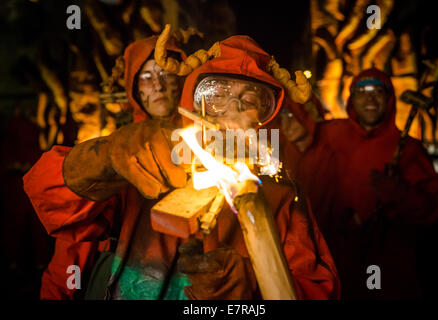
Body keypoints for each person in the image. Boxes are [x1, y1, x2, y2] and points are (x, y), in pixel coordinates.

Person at [24, 32, 340, 300]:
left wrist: (251, 287)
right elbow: (52, 204)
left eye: (250, 99)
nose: (231, 110)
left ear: (264, 117)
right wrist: (104, 159)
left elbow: (317, 288)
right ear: (193, 101)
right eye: (217, 95)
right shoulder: (141, 165)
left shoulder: (281, 195)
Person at [283, 68, 438, 299]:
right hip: (336, 257)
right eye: (362, 92)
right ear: (352, 100)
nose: (370, 98)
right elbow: (301, 123)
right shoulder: (334, 134)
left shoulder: (409, 150)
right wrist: (289, 92)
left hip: (386, 264)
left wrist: (402, 195)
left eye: (377, 92)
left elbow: (436, 207)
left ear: (389, 100)